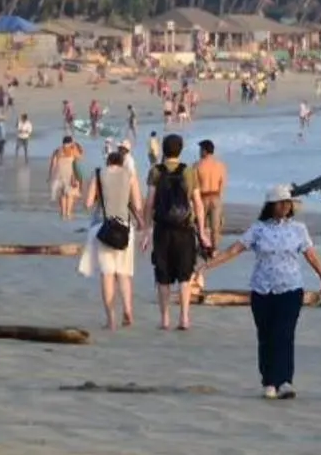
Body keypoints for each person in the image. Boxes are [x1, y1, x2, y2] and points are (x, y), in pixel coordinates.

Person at [204, 184, 321, 398]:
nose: (284, 207)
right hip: (262, 290)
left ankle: (285, 381)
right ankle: (269, 381)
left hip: (290, 289)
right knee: (266, 336)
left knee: (285, 334)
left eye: (287, 203)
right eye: (280, 203)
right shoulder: (258, 229)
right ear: (271, 206)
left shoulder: (298, 229)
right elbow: (235, 250)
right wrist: (207, 266)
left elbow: (310, 254)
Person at [79, 145, 143, 330]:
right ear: (122, 163)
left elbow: (88, 203)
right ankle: (128, 310)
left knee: (107, 274)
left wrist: (100, 197)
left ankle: (111, 319)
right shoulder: (130, 175)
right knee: (124, 273)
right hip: (125, 228)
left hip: (103, 227)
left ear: (108, 162)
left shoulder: (99, 174)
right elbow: (138, 204)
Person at [147, 136, 203, 331]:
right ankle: (184, 318)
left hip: (162, 229)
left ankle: (164, 319)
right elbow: (198, 203)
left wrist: (146, 230)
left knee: (163, 275)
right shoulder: (189, 171)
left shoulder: (155, 171)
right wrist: (202, 232)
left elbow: (149, 202)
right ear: (180, 149)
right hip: (184, 230)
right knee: (185, 275)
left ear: (163, 149)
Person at [193, 138, 229, 255]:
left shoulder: (197, 166)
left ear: (204, 151)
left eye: (200, 150)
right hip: (215, 196)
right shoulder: (220, 165)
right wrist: (220, 198)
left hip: (202, 197)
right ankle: (214, 249)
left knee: (200, 224)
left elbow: (194, 185)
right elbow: (223, 184)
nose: (199, 152)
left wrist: (193, 200)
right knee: (215, 226)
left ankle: (203, 246)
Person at [48, 133, 85, 219]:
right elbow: (81, 157)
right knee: (70, 194)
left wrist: (50, 175)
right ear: (70, 142)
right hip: (69, 175)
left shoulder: (57, 151)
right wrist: (79, 147)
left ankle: (63, 213)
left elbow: (53, 164)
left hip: (59, 174)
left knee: (62, 194)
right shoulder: (72, 150)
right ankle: (68, 213)